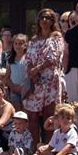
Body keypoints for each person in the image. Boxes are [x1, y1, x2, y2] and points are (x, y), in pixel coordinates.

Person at [22, 8, 65, 146]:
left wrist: (37, 69)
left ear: (53, 21)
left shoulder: (56, 36)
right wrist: (31, 72)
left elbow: (54, 57)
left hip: (50, 80)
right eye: (42, 18)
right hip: (35, 81)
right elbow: (27, 58)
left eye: (48, 18)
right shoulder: (34, 40)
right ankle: (35, 146)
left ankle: (48, 146)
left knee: (49, 115)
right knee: (32, 115)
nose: (44, 20)